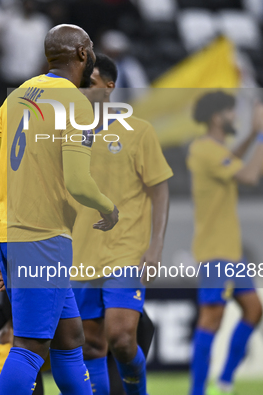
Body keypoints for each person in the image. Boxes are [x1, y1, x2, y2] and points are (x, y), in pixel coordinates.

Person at [0, 24, 119, 395]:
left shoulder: (14, 100)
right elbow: (79, 183)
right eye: (90, 46)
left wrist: (0, 241)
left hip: (13, 233)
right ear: (81, 53)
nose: (92, 52)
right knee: (30, 347)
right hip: (42, 236)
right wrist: (109, 208)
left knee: (70, 338)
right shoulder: (76, 102)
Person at [71, 53, 172, 395]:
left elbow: (160, 191)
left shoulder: (138, 131)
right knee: (91, 346)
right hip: (80, 253)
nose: (83, 89)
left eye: (91, 82)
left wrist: (155, 246)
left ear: (110, 87)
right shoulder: (65, 133)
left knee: (122, 337)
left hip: (125, 250)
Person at [187, 91, 263, 395]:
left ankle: (225, 381)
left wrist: (254, 134)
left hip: (230, 252)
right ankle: (197, 391)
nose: (235, 117)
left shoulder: (215, 150)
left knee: (254, 310)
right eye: (231, 112)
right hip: (214, 251)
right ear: (216, 116)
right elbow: (248, 175)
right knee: (212, 318)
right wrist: (262, 138)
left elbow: (233, 159)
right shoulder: (203, 149)